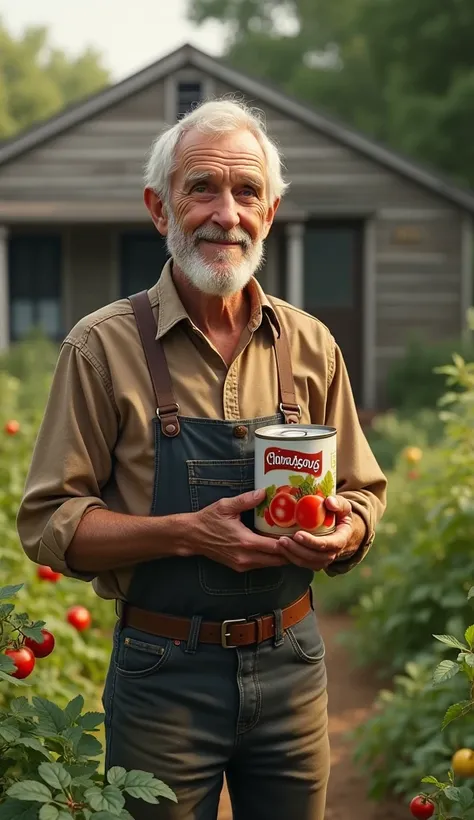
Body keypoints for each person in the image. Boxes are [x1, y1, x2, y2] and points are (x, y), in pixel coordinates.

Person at [17, 98, 387, 820]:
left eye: (247, 191)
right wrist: (189, 532)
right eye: (202, 189)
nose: (227, 213)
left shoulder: (310, 346)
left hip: (293, 664)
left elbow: (365, 494)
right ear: (160, 208)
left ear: (271, 211)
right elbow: (49, 522)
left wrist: (345, 532)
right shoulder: (103, 347)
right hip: (162, 674)